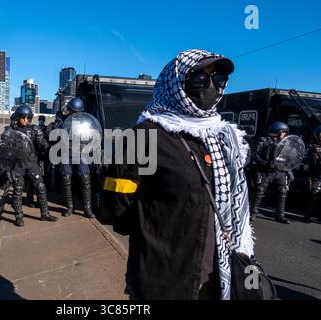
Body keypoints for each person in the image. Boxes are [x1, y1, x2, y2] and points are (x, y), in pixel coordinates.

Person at [101, 49, 255, 300]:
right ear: (176, 83)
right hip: (164, 277)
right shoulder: (145, 135)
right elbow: (116, 210)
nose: (211, 87)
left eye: (219, 80)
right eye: (200, 79)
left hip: (220, 276)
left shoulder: (226, 137)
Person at [8, 104, 58, 226]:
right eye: (23, 117)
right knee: (18, 190)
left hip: (31, 162)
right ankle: (19, 216)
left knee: (40, 187)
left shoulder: (34, 129)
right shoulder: (10, 131)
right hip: (17, 165)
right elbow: (3, 149)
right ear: (18, 117)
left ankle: (45, 213)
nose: (25, 120)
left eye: (27, 118)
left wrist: (52, 150)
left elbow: (44, 145)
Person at [250, 122, 293, 224]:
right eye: (283, 132)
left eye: (285, 132)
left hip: (280, 171)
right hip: (266, 171)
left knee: (283, 192)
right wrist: (265, 164)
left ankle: (280, 215)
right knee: (260, 191)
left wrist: (288, 168)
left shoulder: (285, 143)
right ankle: (253, 213)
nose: (284, 134)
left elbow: (289, 157)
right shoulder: (263, 140)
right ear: (277, 131)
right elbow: (255, 155)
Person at [60, 98, 95, 219]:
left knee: (85, 177)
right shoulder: (63, 120)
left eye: (76, 112)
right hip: (66, 151)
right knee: (66, 178)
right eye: (72, 111)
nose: (73, 113)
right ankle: (69, 207)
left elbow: (91, 135)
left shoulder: (85, 123)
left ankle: (87, 208)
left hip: (80, 151)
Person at [304, 124, 321, 222]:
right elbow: (303, 158)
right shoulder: (311, 146)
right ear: (317, 134)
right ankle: (307, 215)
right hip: (316, 175)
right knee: (314, 195)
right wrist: (311, 158)